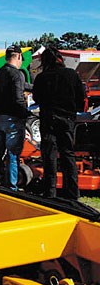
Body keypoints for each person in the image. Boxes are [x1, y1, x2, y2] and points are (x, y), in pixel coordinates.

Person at [33, 46, 85, 200]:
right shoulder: (71, 74)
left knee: (49, 156)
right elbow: (80, 97)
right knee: (68, 155)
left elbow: (36, 98)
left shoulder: (42, 77)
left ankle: (50, 192)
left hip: (48, 119)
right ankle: (73, 193)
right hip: (67, 119)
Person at [0, 45, 32, 191]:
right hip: (13, 119)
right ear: (18, 56)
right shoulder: (17, 73)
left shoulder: (0, 72)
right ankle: (11, 186)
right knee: (13, 154)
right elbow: (18, 98)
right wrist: (26, 114)